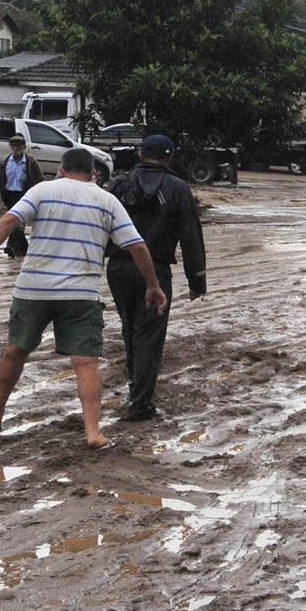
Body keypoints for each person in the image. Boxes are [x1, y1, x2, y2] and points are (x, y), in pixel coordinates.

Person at [0, 147, 166, 450]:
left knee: (15, 349)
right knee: (85, 362)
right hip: (80, 294)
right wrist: (153, 285)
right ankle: (93, 432)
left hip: (34, 288)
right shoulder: (106, 200)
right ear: (93, 174)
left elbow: (8, 221)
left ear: (60, 169)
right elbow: (136, 246)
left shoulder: (43, 189)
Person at [106, 135, 206, 421]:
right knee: (148, 336)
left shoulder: (119, 184)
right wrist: (197, 282)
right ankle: (140, 404)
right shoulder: (178, 188)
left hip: (118, 268)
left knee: (130, 331)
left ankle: (135, 387)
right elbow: (190, 237)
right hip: (155, 272)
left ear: (140, 153)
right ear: (170, 157)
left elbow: (99, 226)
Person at [0, 135, 43, 258]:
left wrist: (36, 193)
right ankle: (23, 249)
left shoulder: (31, 162)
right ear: (10, 147)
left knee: (15, 220)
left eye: (19, 146)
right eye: (13, 146)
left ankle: (11, 246)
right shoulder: (5, 162)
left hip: (24, 195)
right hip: (9, 195)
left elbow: (39, 179)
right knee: (16, 220)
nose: (16, 148)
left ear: (24, 147)